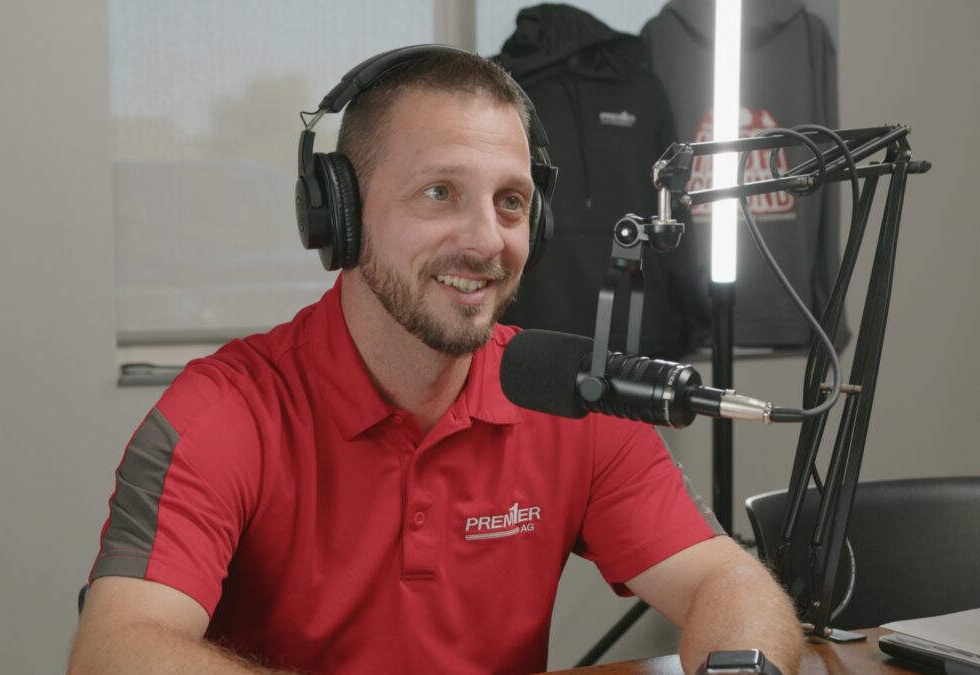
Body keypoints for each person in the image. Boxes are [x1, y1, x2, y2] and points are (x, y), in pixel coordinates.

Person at [68, 47, 803, 675]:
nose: (485, 240)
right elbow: (117, 648)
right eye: (439, 193)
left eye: (510, 202)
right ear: (340, 214)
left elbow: (728, 582)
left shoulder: (572, 396)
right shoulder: (222, 413)